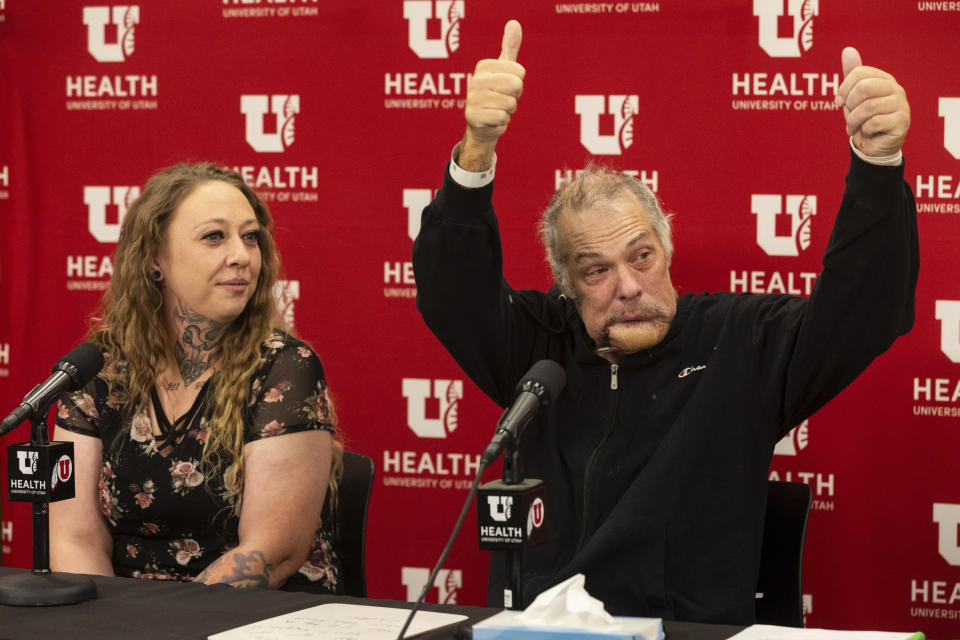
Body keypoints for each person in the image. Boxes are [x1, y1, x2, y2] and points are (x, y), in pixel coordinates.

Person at [412, 21, 917, 624]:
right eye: (595, 271)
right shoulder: (540, 351)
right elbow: (452, 295)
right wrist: (475, 154)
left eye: (641, 256)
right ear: (567, 286)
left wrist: (877, 164)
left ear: (666, 250)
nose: (627, 287)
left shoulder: (741, 342)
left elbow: (863, 311)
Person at [50, 162, 343, 593]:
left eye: (250, 237)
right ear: (155, 261)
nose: (241, 255)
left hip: (256, 618)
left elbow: (270, 552)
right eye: (214, 236)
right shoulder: (102, 369)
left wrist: (167, 628)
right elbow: (74, 539)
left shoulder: (284, 367)